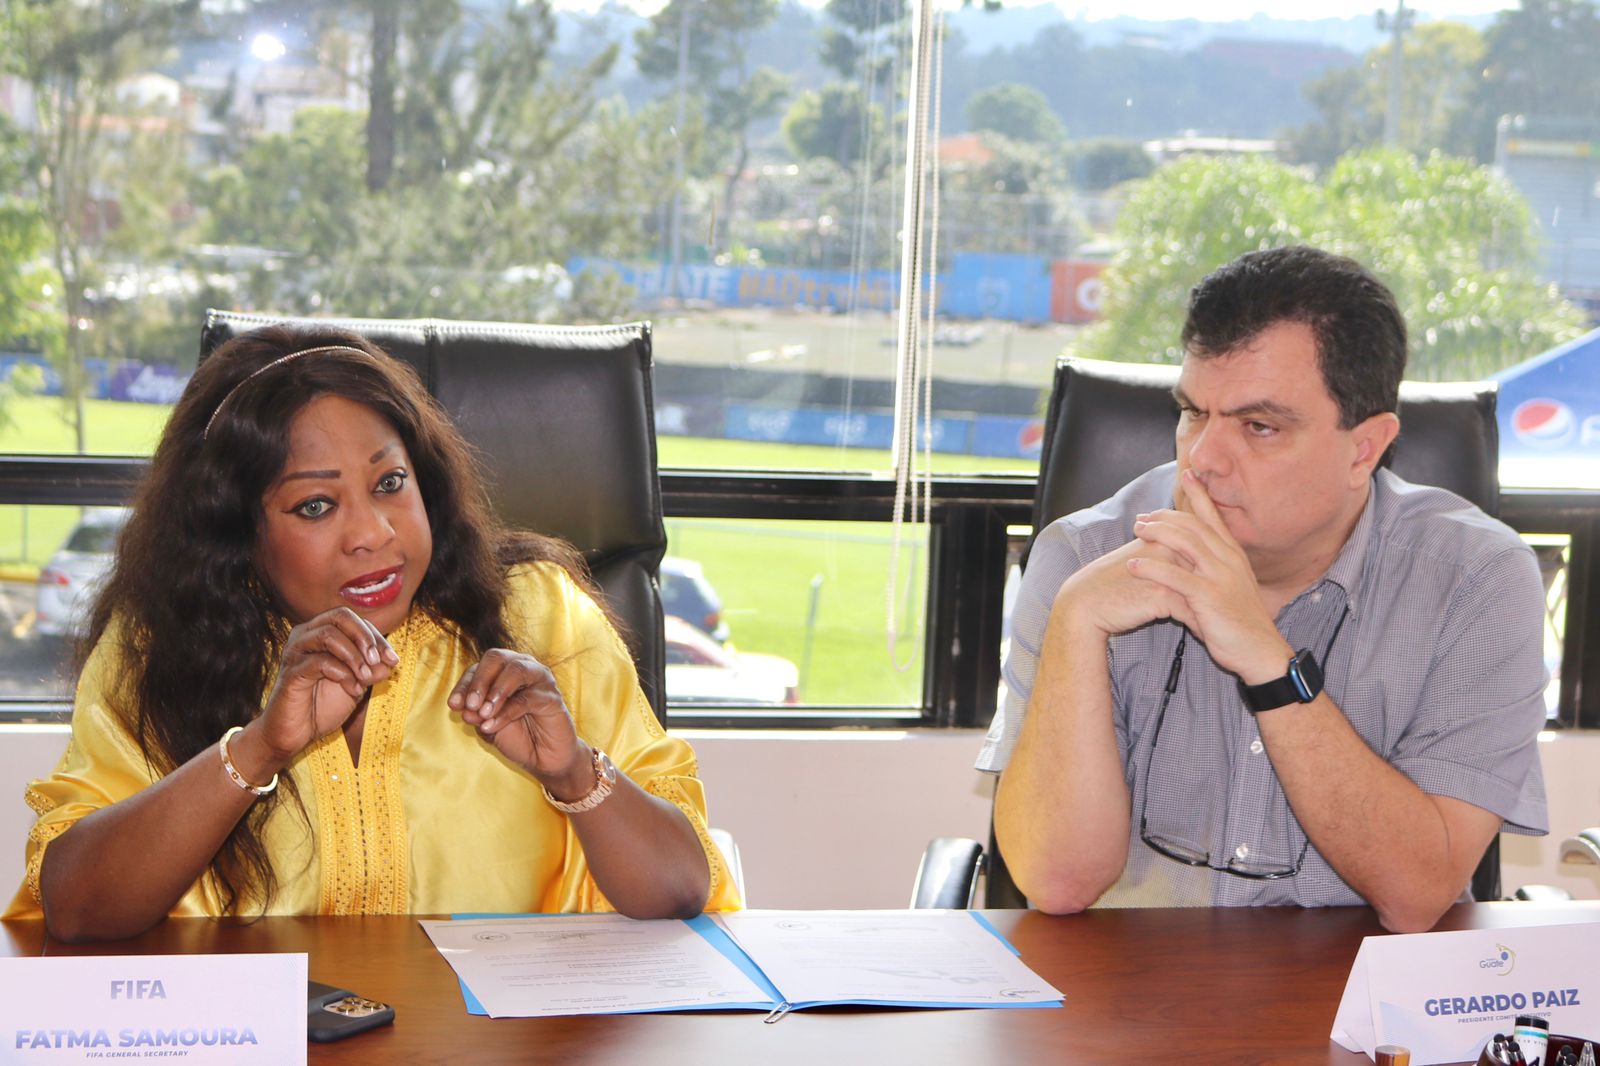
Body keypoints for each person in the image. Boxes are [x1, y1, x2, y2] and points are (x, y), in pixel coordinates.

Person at [7, 325, 738, 941]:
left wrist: (573, 772)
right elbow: (77, 908)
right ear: (237, 534)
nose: (374, 534)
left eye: (390, 484)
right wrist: (258, 748)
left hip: (505, 1043)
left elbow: (681, 886)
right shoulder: (157, 645)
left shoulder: (539, 615)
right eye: (316, 506)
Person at [978, 246, 1548, 933]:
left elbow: (1417, 896)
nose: (1202, 460)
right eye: (1193, 413)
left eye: (1260, 427)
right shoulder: (1084, 561)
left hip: (1361, 988)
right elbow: (1056, 882)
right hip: (1134, 983)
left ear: (1364, 449)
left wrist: (1267, 660)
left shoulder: (1475, 579)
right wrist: (1076, 621)